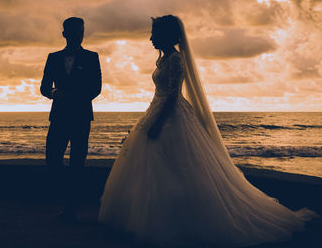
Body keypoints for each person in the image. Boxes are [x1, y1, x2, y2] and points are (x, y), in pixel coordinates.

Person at [98, 15, 317, 247]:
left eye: (155, 34)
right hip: (156, 109)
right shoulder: (162, 61)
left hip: (170, 116)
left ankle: (179, 224)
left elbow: (172, 96)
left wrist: (157, 124)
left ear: (167, 35)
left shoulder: (175, 60)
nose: (151, 38)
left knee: (180, 172)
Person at [40, 17, 102, 221]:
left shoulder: (92, 57)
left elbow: (96, 88)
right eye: (74, 31)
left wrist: (72, 97)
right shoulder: (53, 57)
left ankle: (71, 208)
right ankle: (65, 198)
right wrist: (53, 94)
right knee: (52, 159)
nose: (78, 35)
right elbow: (44, 88)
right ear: (64, 33)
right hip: (58, 116)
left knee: (77, 163)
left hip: (81, 117)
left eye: (81, 31)